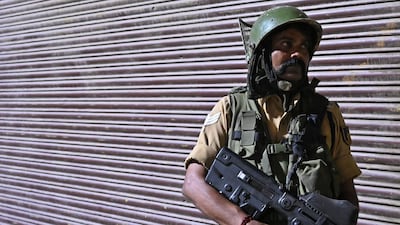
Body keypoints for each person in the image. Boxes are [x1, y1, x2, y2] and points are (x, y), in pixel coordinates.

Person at [182, 5, 361, 225]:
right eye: (286, 44)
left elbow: (347, 198)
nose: (298, 54)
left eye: (304, 47)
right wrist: (243, 222)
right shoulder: (231, 108)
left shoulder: (326, 114)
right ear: (262, 53)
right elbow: (193, 183)